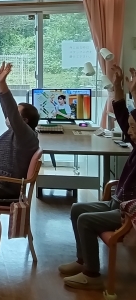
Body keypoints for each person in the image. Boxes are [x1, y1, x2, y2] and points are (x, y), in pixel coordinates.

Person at [58, 65, 136, 290]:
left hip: (128, 213)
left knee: (85, 220)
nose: (129, 131)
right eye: (130, 127)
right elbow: (121, 113)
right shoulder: (134, 142)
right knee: (77, 209)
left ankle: (92, 275)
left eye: (133, 128)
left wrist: (134, 92)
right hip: (117, 203)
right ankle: (83, 261)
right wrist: (118, 86)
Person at [0, 62, 40, 200]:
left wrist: (3, 83)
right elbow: (8, 110)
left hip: (0, 187)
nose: (10, 116)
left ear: (24, 121)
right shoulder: (18, 133)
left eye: (16, 115)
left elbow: (11, 110)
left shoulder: (26, 137)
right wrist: (0, 83)